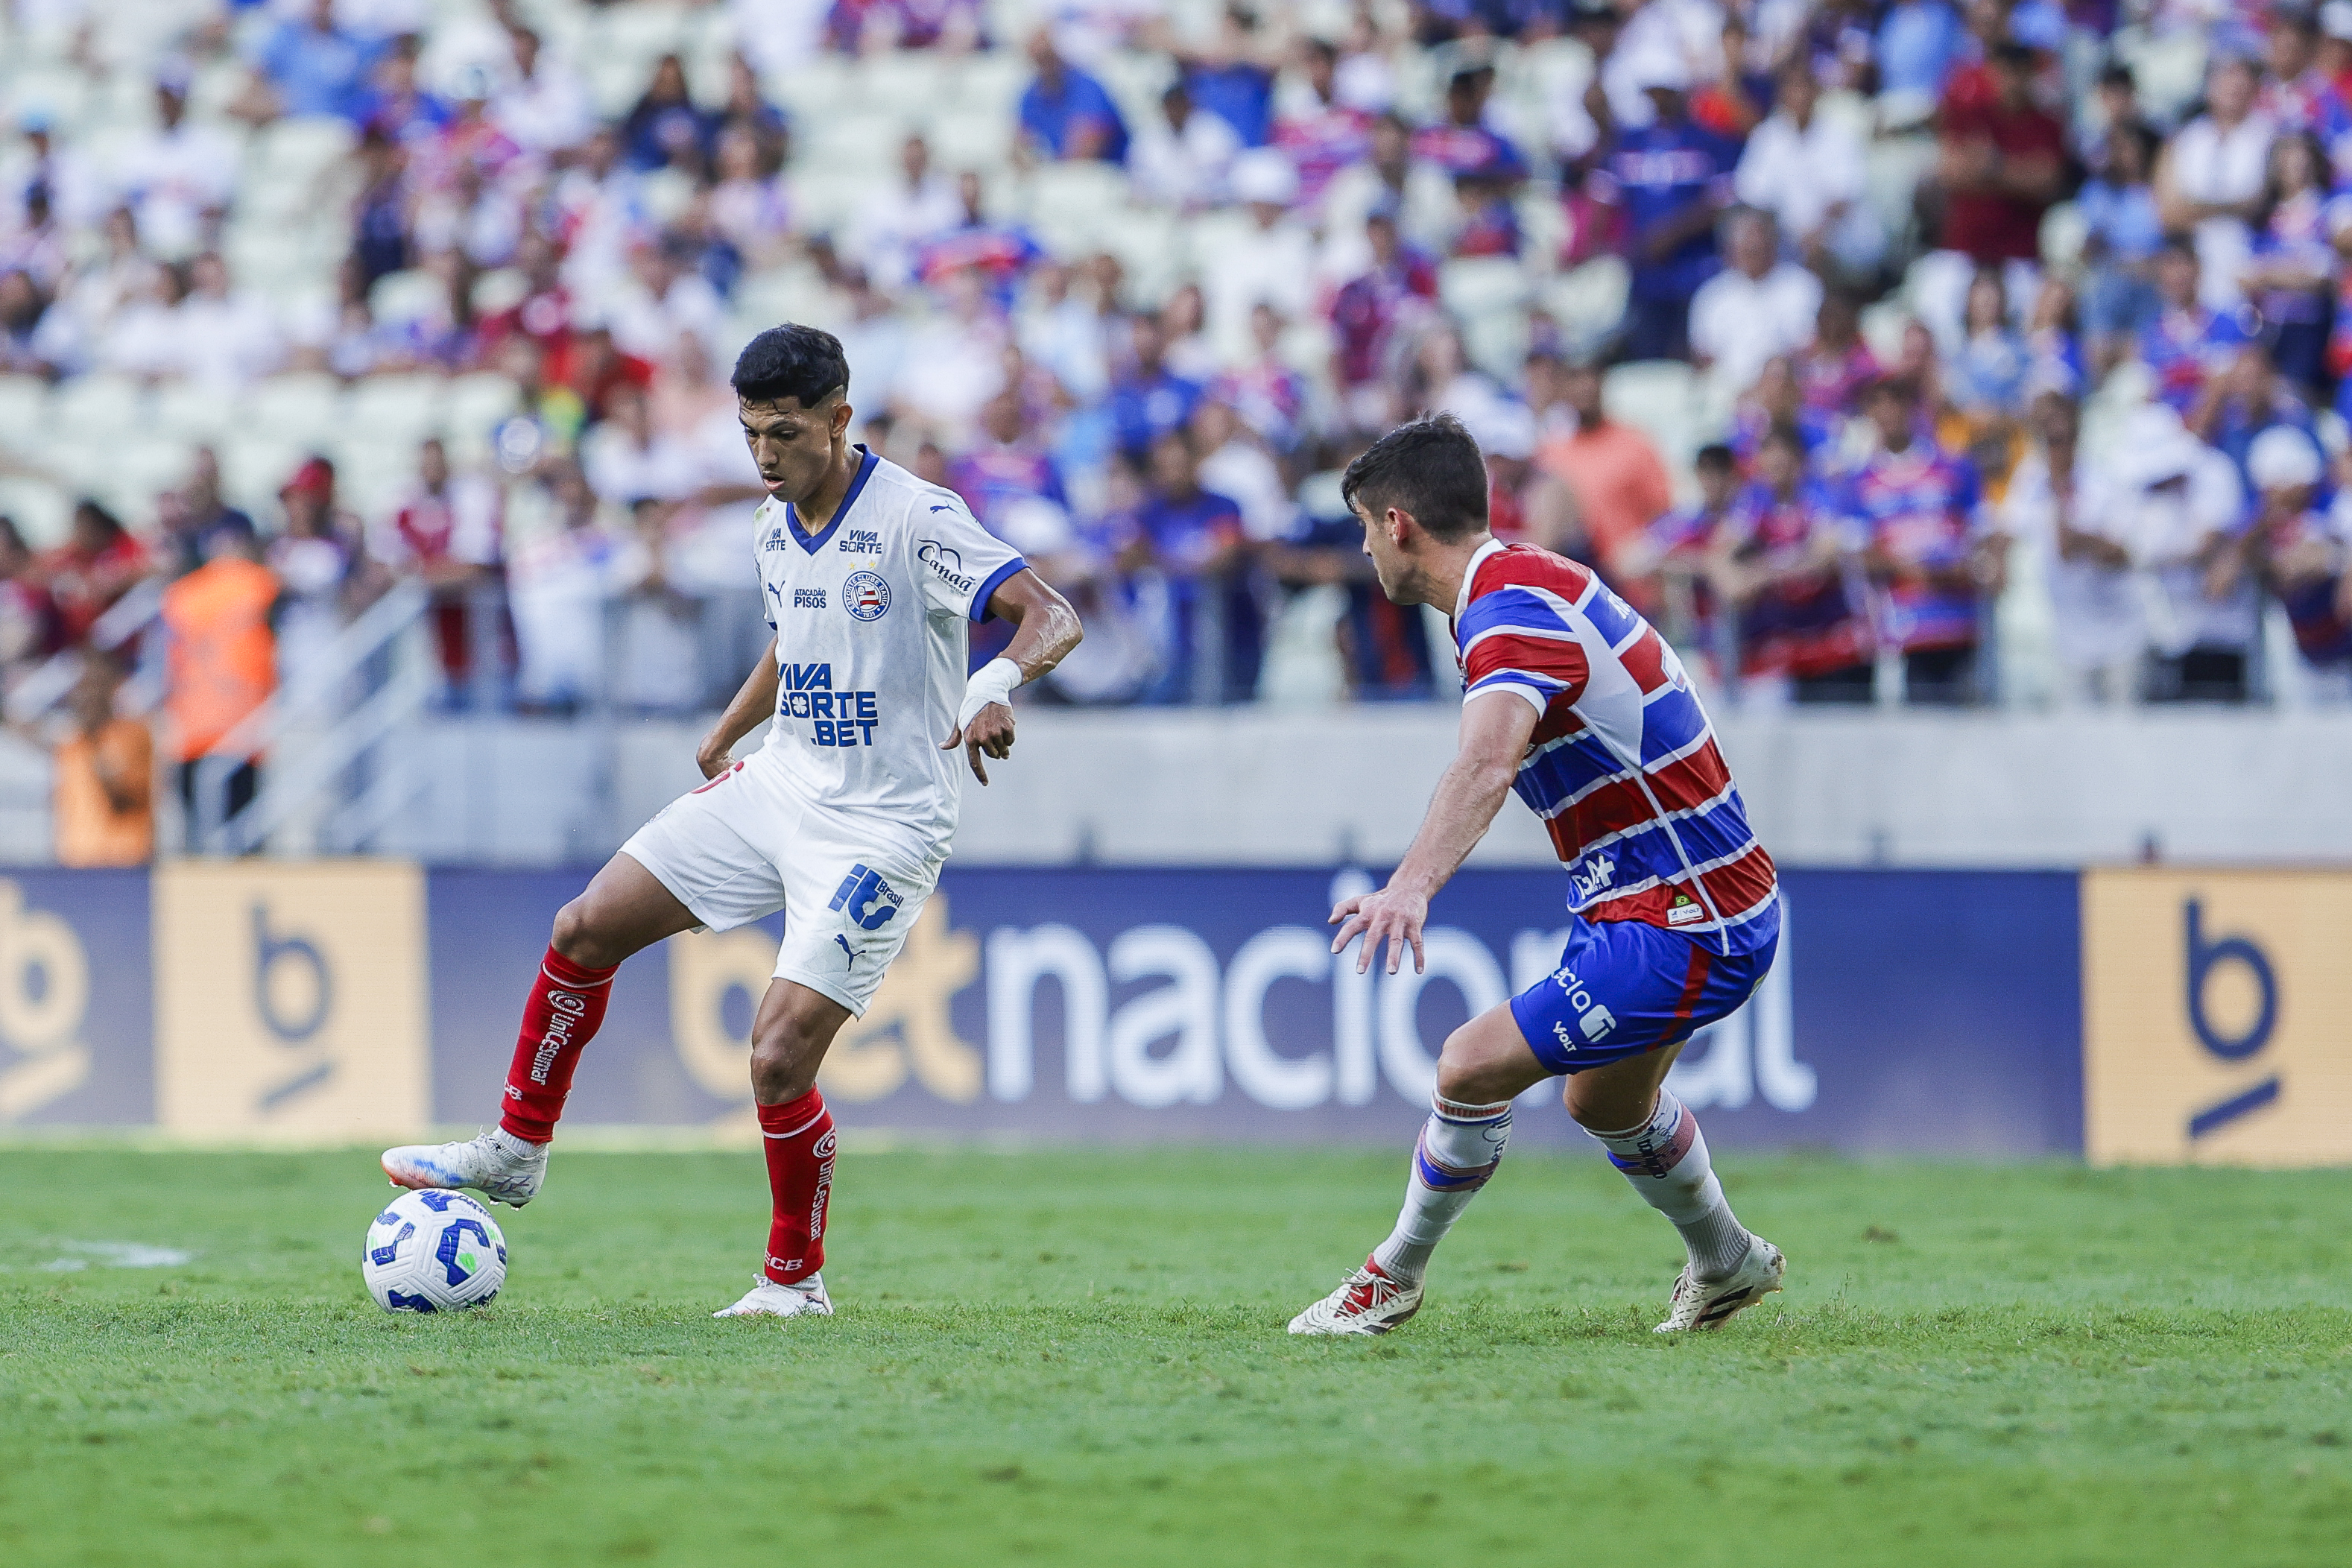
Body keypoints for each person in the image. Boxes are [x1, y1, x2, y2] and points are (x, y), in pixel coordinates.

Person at [382, 326, 1083, 1322]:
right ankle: (516, 1150)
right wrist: (727, 731)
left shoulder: (917, 518)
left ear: (840, 421)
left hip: (882, 825)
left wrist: (996, 684)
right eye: (750, 433)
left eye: (786, 434)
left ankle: (795, 1284)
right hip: (779, 785)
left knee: (776, 1056)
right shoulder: (768, 522)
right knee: (584, 928)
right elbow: (797, 643)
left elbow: (1050, 611)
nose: (764, 455)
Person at [1289, 414, 1783, 1338]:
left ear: (1399, 525)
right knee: (1604, 1099)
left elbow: (1486, 763)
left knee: (1469, 1066)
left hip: (1689, 910)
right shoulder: (1518, 584)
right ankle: (1726, 1260)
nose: (1363, 548)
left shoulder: (1508, 604)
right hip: (1656, 893)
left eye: (1363, 526)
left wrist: (1410, 887)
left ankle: (1391, 1276)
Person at [1844, 376, 2005, 704]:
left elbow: (1986, 533)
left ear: (1911, 409)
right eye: (1878, 405)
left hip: (1960, 623)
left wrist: (1971, 568)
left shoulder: (1956, 468)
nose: (1888, 413)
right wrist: (1911, 567)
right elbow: (1859, 553)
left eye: (1895, 403)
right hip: (1903, 630)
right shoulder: (1859, 481)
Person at [52, 654, 154, 867]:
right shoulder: (73, 744)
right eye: (83, 686)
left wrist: (94, 740)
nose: (87, 694)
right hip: (77, 865)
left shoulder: (132, 735)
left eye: (95, 684)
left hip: (123, 865)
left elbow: (122, 794)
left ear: (112, 688)